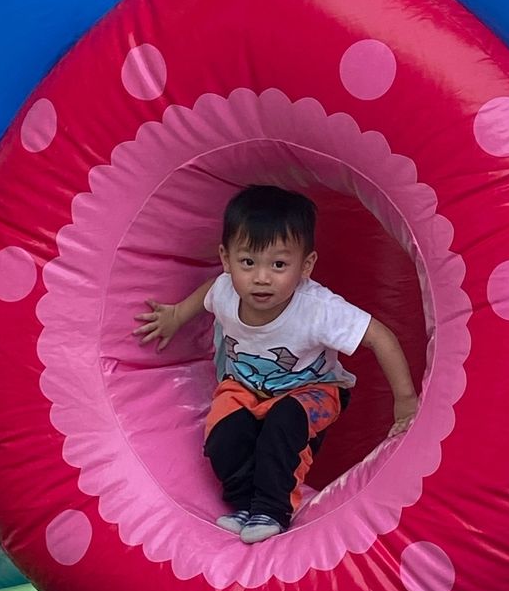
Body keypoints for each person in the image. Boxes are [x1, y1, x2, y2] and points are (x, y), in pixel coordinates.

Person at [134, 185, 418, 544]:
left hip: (312, 389)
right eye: (248, 262)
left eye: (279, 264)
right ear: (226, 258)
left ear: (306, 266)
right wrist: (174, 316)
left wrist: (405, 401)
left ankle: (272, 508)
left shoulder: (317, 309)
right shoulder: (225, 290)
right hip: (244, 387)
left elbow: (381, 337)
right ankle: (244, 504)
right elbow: (209, 293)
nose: (262, 278)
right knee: (223, 436)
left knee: (283, 426)